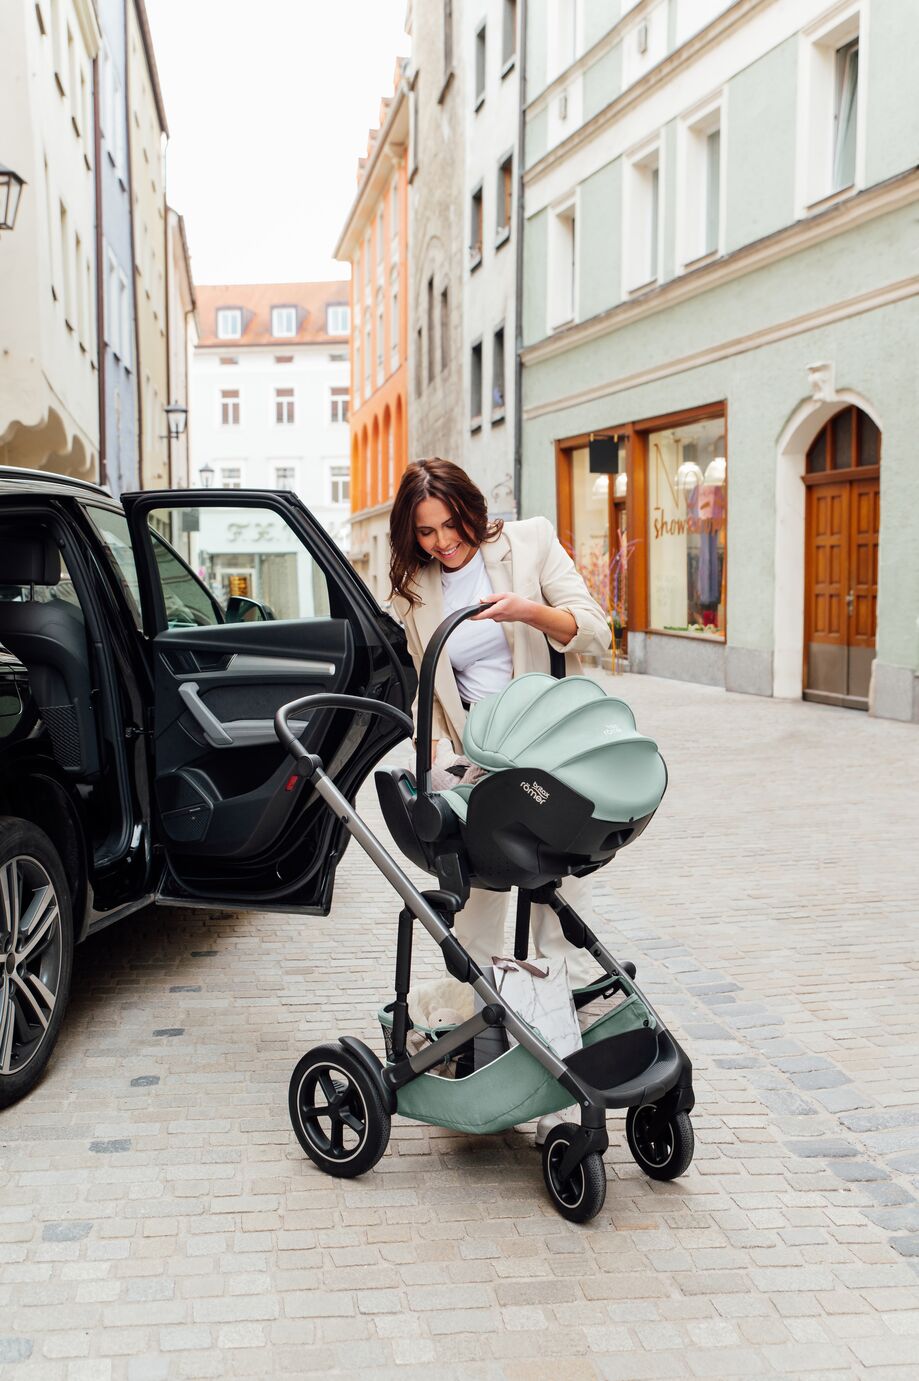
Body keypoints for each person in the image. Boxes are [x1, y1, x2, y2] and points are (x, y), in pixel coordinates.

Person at [388, 457, 612, 994]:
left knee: (558, 880)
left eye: (451, 524)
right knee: (478, 887)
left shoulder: (530, 541)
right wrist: (431, 742)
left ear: (472, 509)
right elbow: (429, 681)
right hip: (478, 753)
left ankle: (571, 1003)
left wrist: (527, 611)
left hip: (546, 745)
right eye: (426, 532)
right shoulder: (413, 587)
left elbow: (596, 631)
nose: (443, 542)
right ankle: (485, 1005)